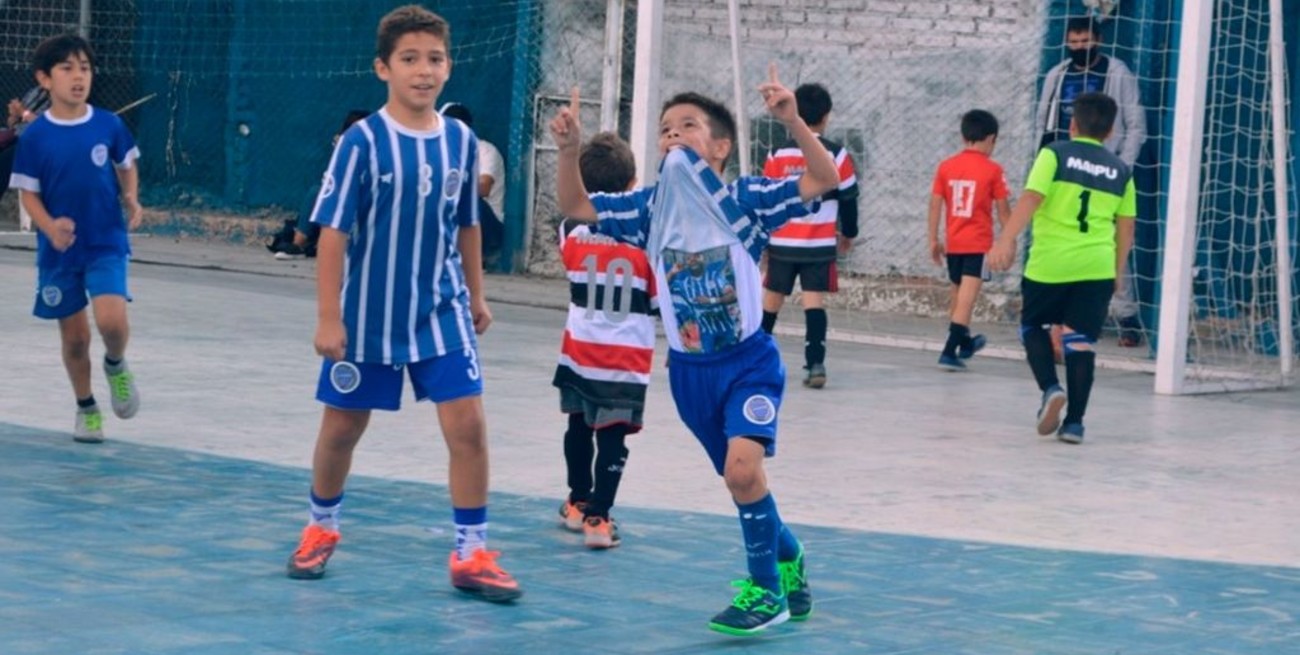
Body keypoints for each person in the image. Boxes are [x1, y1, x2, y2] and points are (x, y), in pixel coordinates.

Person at [550, 63, 840, 635]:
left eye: (687, 126)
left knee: (741, 469)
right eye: (665, 129)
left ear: (721, 147)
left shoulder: (746, 200)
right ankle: (789, 558)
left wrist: (795, 124)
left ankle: (765, 594)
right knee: (743, 482)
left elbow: (824, 178)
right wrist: (569, 152)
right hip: (689, 374)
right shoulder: (647, 210)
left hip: (748, 364)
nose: (673, 136)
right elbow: (578, 208)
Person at [283, 5, 522, 604]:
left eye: (435, 59)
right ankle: (321, 527)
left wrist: (476, 294)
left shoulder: (462, 141)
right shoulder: (362, 142)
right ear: (382, 68)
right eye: (410, 59)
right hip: (367, 316)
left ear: (449, 66)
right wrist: (328, 316)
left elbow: (467, 223)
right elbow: (332, 232)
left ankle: (471, 553)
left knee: (468, 426)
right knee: (342, 428)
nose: (424, 71)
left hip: (440, 311)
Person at [8, 34, 143, 444]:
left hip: (105, 241)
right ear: (44, 80)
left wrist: (132, 198)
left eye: (84, 67)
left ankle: (116, 364)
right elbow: (28, 194)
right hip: (59, 251)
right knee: (76, 337)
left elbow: (126, 164)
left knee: (111, 323)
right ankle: (86, 407)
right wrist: (49, 227)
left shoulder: (108, 124)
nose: (78, 76)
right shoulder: (34, 137)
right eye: (66, 68)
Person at [989, 92, 1136, 445]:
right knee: (1080, 342)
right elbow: (1126, 225)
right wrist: (1117, 271)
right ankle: (1075, 423)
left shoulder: (1054, 154)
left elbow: (1031, 198)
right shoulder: (1121, 171)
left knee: (1032, 327)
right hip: (1096, 265)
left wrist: (1005, 239)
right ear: (1112, 131)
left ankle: (1051, 388)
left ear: (1072, 125)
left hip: (1051, 263)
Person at [553, 132, 651, 550]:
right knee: (612, 435)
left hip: (579, 351)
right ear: (631, 185)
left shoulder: (570, 230)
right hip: (624, 359)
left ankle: (577, 500)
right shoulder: (646, 241)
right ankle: (599, 517)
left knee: (578, 424)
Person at [1035, 15, 1147, 347]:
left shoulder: (1116, 73)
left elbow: (1136, 124)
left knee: (1109, 242)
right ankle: (1056, 319)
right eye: (1074, 42)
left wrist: (1120, 167)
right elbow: (1044, 122)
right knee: (1057, 240)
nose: (1080, 47)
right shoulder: (1058, 74)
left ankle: (1126, 316)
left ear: (1098, 40)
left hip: (1101, 174)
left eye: (1086, 41)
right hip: (1063, 174)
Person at [759, 82, 859, 388]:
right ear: (826, 117)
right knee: (813, 302)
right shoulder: (837, 154)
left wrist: (764, 240)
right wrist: (850, 233)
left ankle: (754, 360)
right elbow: (849, 197)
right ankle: (815, 363)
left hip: (782, 243)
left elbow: (767, 198)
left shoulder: (777, 154)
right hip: (817, 244)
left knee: (771, 301)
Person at [927, 109, 1011, 371]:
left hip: (954, 244)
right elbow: (1003, 210)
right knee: (967, 300)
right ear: (990, 139)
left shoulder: (946, 166)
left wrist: (933, 239)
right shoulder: (993, 170)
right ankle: (949, 351)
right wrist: (1008, 240)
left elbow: (935, 205)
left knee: (957, 296)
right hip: (979, 245)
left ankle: (965, 342)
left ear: (964, 137)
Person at [270, 109, 370, 260]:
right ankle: (298, 245)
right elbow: (331, 180)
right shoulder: (345, 148)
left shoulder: (378, 150)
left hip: (364, 200)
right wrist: (340, 149)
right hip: (339, 197)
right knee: (316, 192)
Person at [439, 102, 505, 264]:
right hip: (454, 214)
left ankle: (476, 256)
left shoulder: (485, 150)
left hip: (489, 222)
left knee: (467, 200)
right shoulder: (442, 152)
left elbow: (483, 187)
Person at [0, 85, 51, 221]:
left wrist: (23, 112)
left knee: (5, 161)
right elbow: (12, 123)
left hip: (38, 143)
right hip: (17, 135)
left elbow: (48, 127)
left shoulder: (61, 97)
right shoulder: (35, 91)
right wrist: (14, 116)